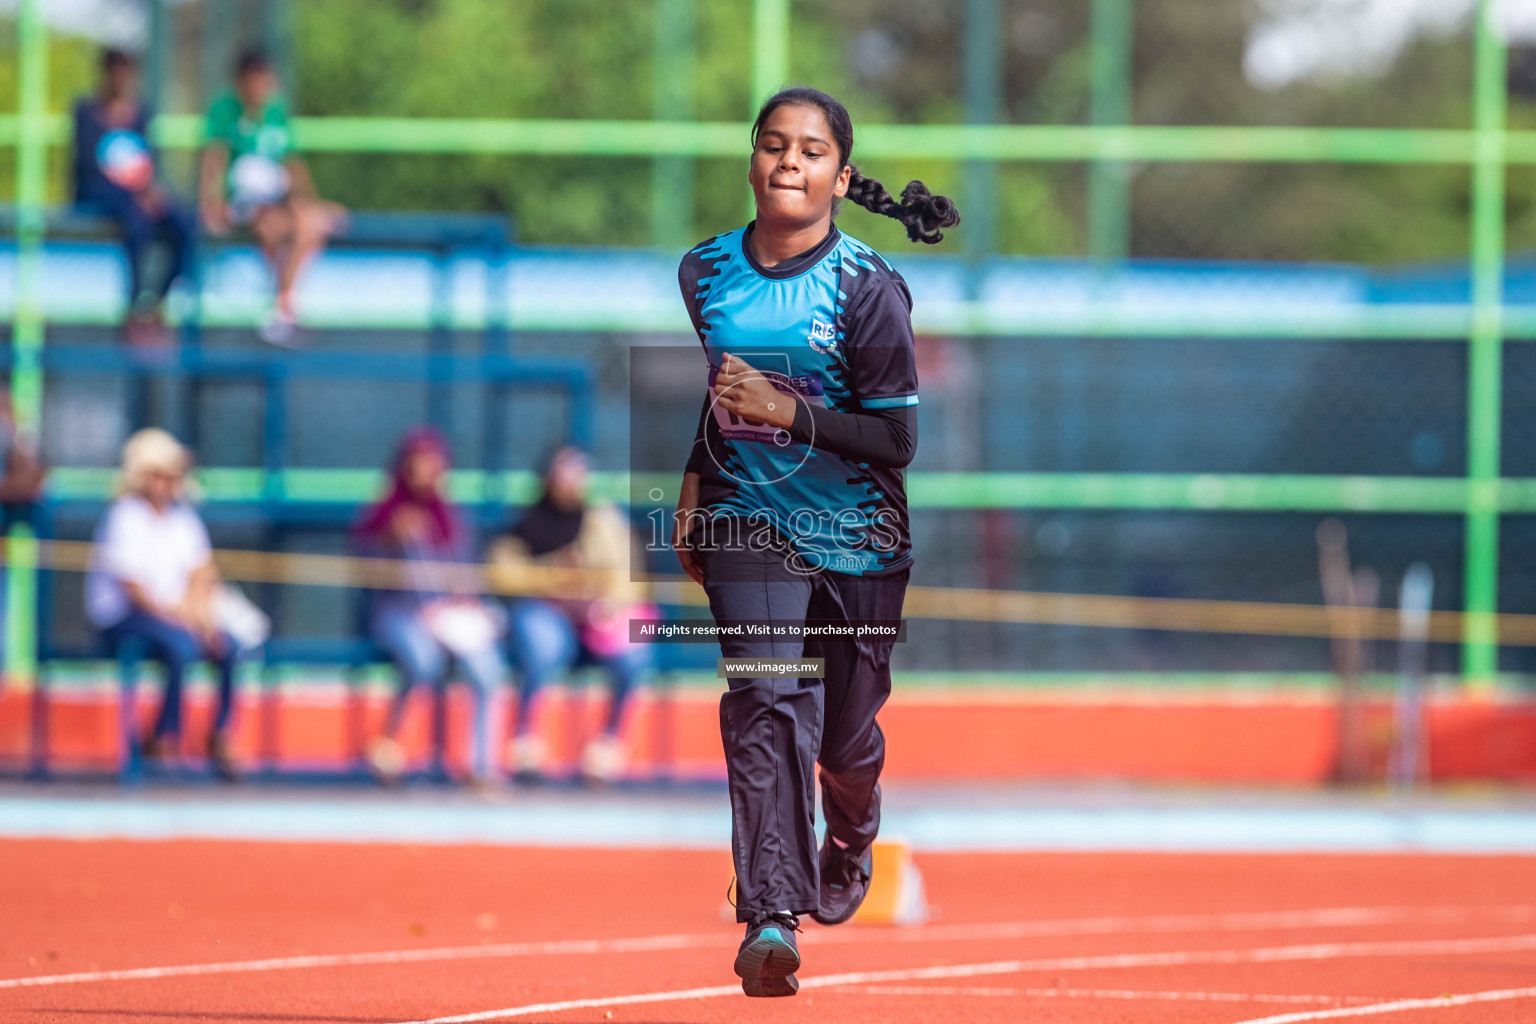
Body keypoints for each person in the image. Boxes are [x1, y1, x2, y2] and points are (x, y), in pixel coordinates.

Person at [672, 87, 958, 997]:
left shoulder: (869, 292)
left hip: (858, 537)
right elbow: (725, 393)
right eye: (771, 145)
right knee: (764, 701)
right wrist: (692, 478)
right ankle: (770, 916)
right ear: (751, 160)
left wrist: (791, 414)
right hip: (746, 516)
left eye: (809, 151)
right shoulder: (705, 272)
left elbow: (897, 442)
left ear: (839, 175)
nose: (787, 162)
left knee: (840, 738)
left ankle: (853, 828)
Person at [489, 447, 658, 784]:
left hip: (598, 619)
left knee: (636, 657)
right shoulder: (527, 522)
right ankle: (525, 739)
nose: (571, 482)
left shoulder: (604, 520)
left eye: (577, 473)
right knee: (541, 644)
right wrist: (554, 579)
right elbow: (502, 572)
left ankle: (607, 747)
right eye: (563, 473)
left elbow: (630, 578)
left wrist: (605, 603)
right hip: (548, 612)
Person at [84, 428, 240, 780]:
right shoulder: (124, 516)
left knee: (227, 645)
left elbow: (203, 573)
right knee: (179, 645)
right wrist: (183, 619)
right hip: (124, 618)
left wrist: (203, 618)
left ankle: (221, 734)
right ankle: (163, 737)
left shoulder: (184, 519)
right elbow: (134, 590)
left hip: (177, 617)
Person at [355, 428, 507, 786]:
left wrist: (463, 596)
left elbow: (467, 572)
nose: (428, 472)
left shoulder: (452, 518)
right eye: (419, 464)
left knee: (488, 669)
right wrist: (391, 537)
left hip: (448, 618)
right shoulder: (384, 514)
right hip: (400, 613)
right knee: (423, 660)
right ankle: (389, 745)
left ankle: (481, 765)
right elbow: (365, 568)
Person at [199, 49, 345, 347]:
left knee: (311, 224)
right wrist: (211, 203)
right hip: (247, 201)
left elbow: (292, 163)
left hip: (277, 198)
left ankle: (283, 307)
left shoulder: (276, 111)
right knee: (272, 228)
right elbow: (213, 158)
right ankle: (282, 309)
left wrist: (311, 202)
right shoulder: (225, 110)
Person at [73, 49, 197, 348]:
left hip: (136, 191)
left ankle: (158, 304)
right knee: (136, 222)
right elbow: (88, 166)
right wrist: (133, 191)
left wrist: (150, 190)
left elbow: (145, 160)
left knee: (183, 221)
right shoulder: (86, 112)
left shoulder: (141, 113)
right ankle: (134, 308)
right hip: (101, 192)